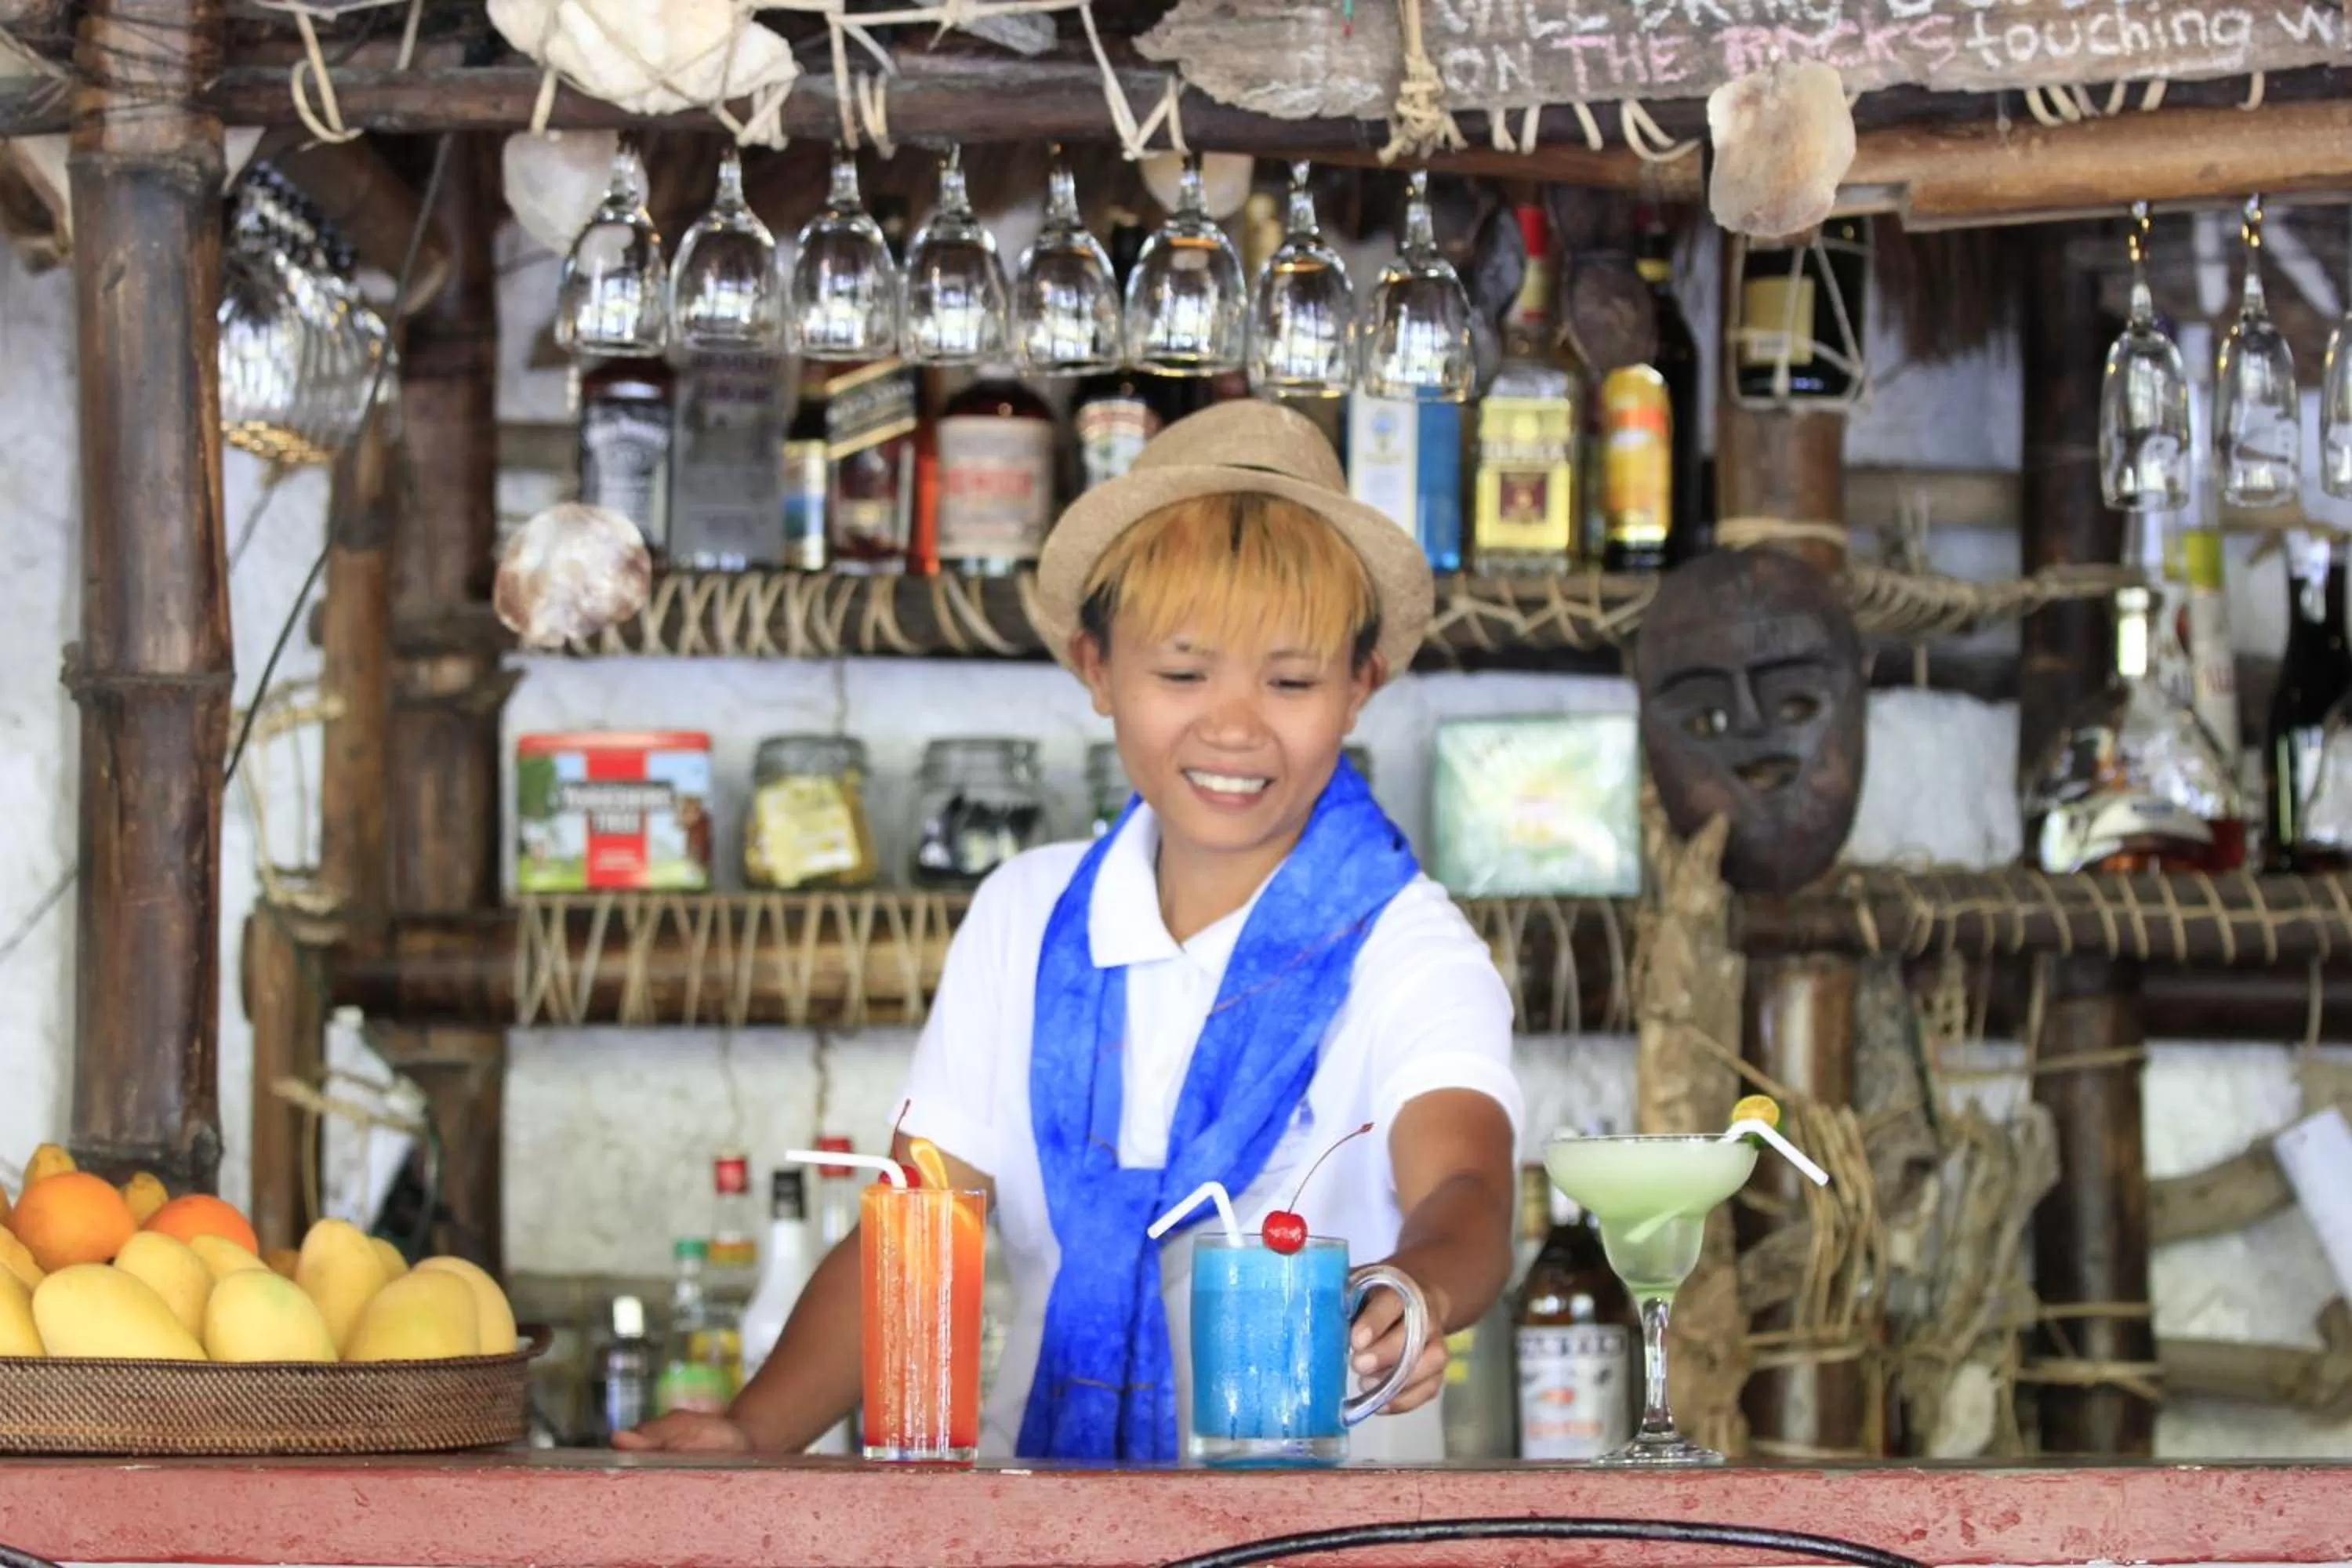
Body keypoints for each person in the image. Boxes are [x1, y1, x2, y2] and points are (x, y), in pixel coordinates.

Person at [619, 402, 1521, 1462]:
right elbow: (922, 1228)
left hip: (1316, 1528)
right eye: (1182, 673)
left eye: (1290, 681)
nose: (1234, 726)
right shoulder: (1027, 916)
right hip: (1036, 1515)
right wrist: (751, 1431)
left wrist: (1416, 1290)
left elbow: (1466, 1188)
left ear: (1359, 684)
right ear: (1097, 668)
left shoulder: (1408, 947)